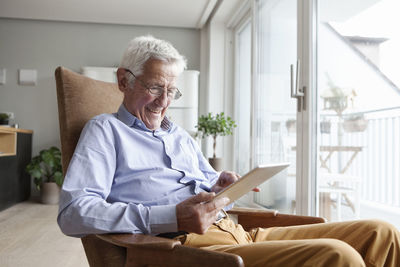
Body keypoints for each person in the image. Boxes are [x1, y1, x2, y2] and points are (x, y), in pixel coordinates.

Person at [58, 35, 400, 267]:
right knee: (337, 256)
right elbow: (73, 213)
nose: (164, 102)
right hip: (190, 250)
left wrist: (222, 190)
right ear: (124, 81)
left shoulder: (178, 135)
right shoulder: (105, 131)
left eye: (172, 91)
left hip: (242, 234)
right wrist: (169, 217)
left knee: (382, 233)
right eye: (154, 87)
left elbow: (208, 191)